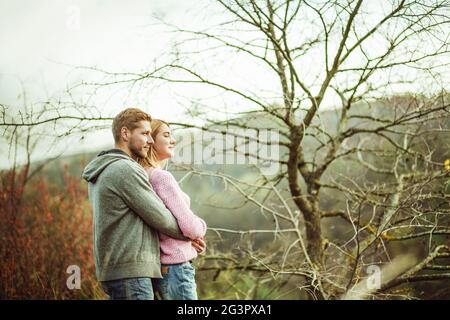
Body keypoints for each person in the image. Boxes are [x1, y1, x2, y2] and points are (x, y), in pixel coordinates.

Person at [82, 108, 205, 300]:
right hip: (131, 272)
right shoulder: (125, 169)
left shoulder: (103, 169)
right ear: (125, 133)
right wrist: (190, 235)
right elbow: (160, 218)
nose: (150, 140)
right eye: (145, 134)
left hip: (116, 269)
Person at [139, 119, 207, 300]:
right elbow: (190, 226)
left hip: (161, 268)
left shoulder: (141, 176)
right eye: (167, 135)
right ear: (151, 140)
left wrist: (188, 241)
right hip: (177, 269)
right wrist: (200, 228)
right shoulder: (161, 177)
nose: (173, 141)